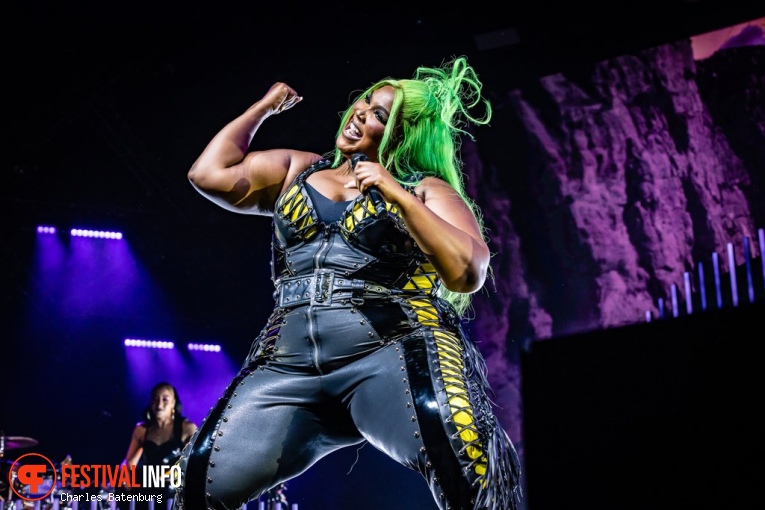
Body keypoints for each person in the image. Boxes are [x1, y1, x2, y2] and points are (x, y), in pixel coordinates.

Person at [174, 56, 522, 510]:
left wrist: (394, 193)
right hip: (289, 364)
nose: (360, 113)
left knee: (467, 459)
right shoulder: (297, 169)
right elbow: (207, 174)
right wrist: (263, 108)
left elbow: (468, 271)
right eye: (364, 102)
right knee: (199, 478)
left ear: (400, 136)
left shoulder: (423, 188)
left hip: (389, 352)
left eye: (379, 114)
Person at [120, 382, 198, 507]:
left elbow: (197, 464)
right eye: (155, 399)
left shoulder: (187, 428)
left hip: (174, 496)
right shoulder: (142, 430)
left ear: (173, 402)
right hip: (148, 493)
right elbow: (128, 463)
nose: (159, 405)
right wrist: (125, 479)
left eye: (165, 399)